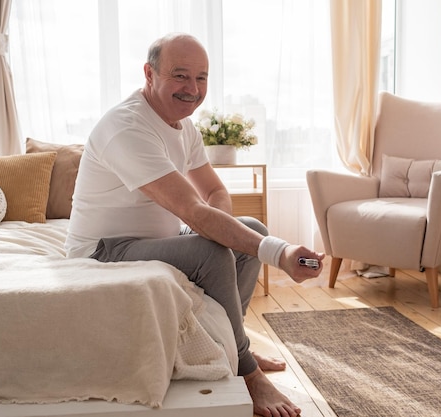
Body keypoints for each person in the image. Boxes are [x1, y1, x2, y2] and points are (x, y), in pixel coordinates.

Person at [65, 32, 324, 417]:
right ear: (149, 74)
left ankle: (231, 343)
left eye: (201, 77)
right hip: (104, 249)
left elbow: (215, 193)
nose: (193, 89)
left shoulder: (185, 127)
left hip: (154, 237)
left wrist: (221, 227)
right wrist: (279, 253)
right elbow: (192, 210)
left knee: (251, 228)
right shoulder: (127, 126)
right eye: (180, 75)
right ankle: (246, 371)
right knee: (214, 249)